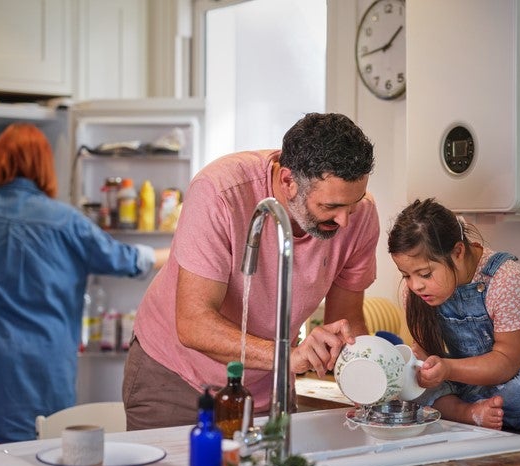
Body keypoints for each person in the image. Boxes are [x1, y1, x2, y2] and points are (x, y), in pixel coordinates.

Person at [124, 112, 379, 429]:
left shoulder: (360, 214)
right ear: (287, 181)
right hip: (174, 375)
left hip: (264, 384)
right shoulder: (219, 192)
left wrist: (377, 382)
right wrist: (288, 355)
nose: (344, 221)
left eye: (352, 205)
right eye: (330, 208)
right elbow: (193, 324)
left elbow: (347, 322)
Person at [0, 123, 167, 450]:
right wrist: (180, 251)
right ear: (45, 166)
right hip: (43, 375)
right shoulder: (66, 221)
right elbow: (126, 260)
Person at [387, 198, 520, 429]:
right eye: (406, 275)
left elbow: (506, 363)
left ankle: (460, 408)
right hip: (462, 377)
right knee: (404, 387)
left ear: (458, 251)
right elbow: (426, 351)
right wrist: (424, 369)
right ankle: (469, 412)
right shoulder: (417, 294)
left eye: (425, 274)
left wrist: (447, 369)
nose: (415, 286)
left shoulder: (508, 280)